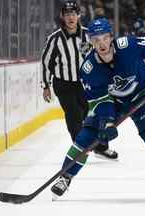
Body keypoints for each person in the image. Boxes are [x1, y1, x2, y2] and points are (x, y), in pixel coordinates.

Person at [50, 17, 145, 200]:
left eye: (104, 38)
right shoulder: (89, 69)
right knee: (86, 137)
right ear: (90, 42)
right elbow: (100, 100)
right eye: (96, 40)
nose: (101, 43)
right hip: (114, 102)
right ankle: (65, 177)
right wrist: (107, 122)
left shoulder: (128, 45)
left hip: (142, 94)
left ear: (111, 37)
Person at [41, 1, 118, 160]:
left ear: (79, 15)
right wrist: (45, 85)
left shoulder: (88, 35)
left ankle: (101, 147)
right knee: (74, 115)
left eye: (73, 14)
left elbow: (98, 56)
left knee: (92, 114)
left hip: (85, 83)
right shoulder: (54, 39)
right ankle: (80, 149)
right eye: (67, 14)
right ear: (62, 17)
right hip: (63, 84)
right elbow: (46, 62)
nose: (70, 17)